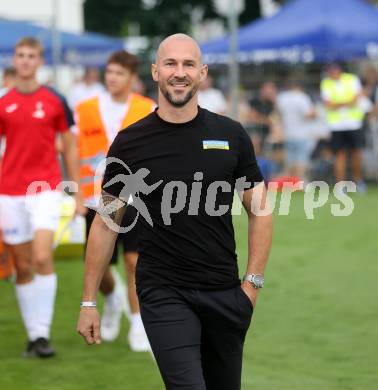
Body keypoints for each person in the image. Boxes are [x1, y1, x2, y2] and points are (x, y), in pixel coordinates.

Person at [77, 34, 273, 390]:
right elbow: (106, 225)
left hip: (226, 293)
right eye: (170, 63)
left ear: (202, 73)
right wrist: (89, 299)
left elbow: (259, 210)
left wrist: (251, 286)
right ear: (155, 72)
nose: (178, 72)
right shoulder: (130, 142)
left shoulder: (231, 134)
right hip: (163, 293)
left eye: (187, 64)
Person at [0, 37, 84, 357]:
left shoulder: (54, 100)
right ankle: (34, 336)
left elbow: (71, 146)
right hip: (8, 193)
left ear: (39, 61)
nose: (24, 61)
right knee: (22, 267)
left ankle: (43, 333)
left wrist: (76, 193)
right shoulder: (3, 102)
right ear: (15, 60)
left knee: (41, 257)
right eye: (20, 55)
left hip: (44, 189)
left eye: (30, 56)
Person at [75, 50, 155, 351]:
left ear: (133, 78)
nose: (112, 78)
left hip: (135, 196)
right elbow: (73, 148)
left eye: (119, 73)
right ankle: (111, 299)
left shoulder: (148, 108)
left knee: (135, 262)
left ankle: (137, 322)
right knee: (99, 266)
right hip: (95, 198)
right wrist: (76, 195)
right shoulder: (84, 108)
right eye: (109, 71)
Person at [320, 63, 366, 191]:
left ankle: (358, 181)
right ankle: (341, 185)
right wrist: (347, 103)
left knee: (357, 153)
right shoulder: (326, 83)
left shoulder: (351, 79)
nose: (332, 72)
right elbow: (329, 104)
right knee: (340, 155)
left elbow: (357, 98)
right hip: (337, 125)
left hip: (353, 123)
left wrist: (339, 104)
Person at [277, 79, 316, 180]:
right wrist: (316, 112)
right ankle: (299, 181)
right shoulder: (302, 97)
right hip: (302, 134)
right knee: (301, 160)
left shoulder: (282, 98)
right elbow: (308, 115)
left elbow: (279, 114)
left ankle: (291, 182)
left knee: (290, 160)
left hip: (288, 133)